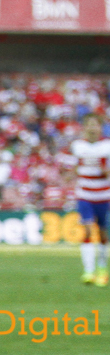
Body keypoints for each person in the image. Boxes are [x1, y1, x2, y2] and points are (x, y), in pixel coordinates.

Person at [69, 113, 110, 287]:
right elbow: (74, 168)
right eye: (89, 125)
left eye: (95, 125)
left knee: (102, 233)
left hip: (104, 196)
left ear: (100, 127)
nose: (92, 128)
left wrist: (103, 170)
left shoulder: (106, 146)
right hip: (84, 195)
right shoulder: (77, 146)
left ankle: (102, 269)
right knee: (86, 230)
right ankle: (88, 271)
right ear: (84, 128)